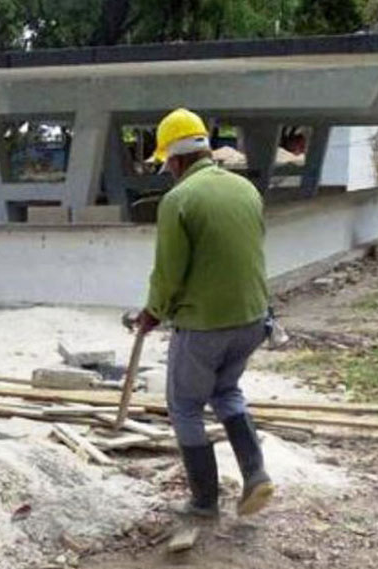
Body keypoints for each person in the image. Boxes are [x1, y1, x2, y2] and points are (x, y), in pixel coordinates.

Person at [135, 107, 276, 519]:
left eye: (169, 165)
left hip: (204, 326)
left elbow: (168, 273)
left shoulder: (179, 199)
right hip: (252, 319)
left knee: (184, 406)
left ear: (176, 159)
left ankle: (203, 502)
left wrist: (152, 313)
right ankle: (256, 475)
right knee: (227, 391)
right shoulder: (245, 190)